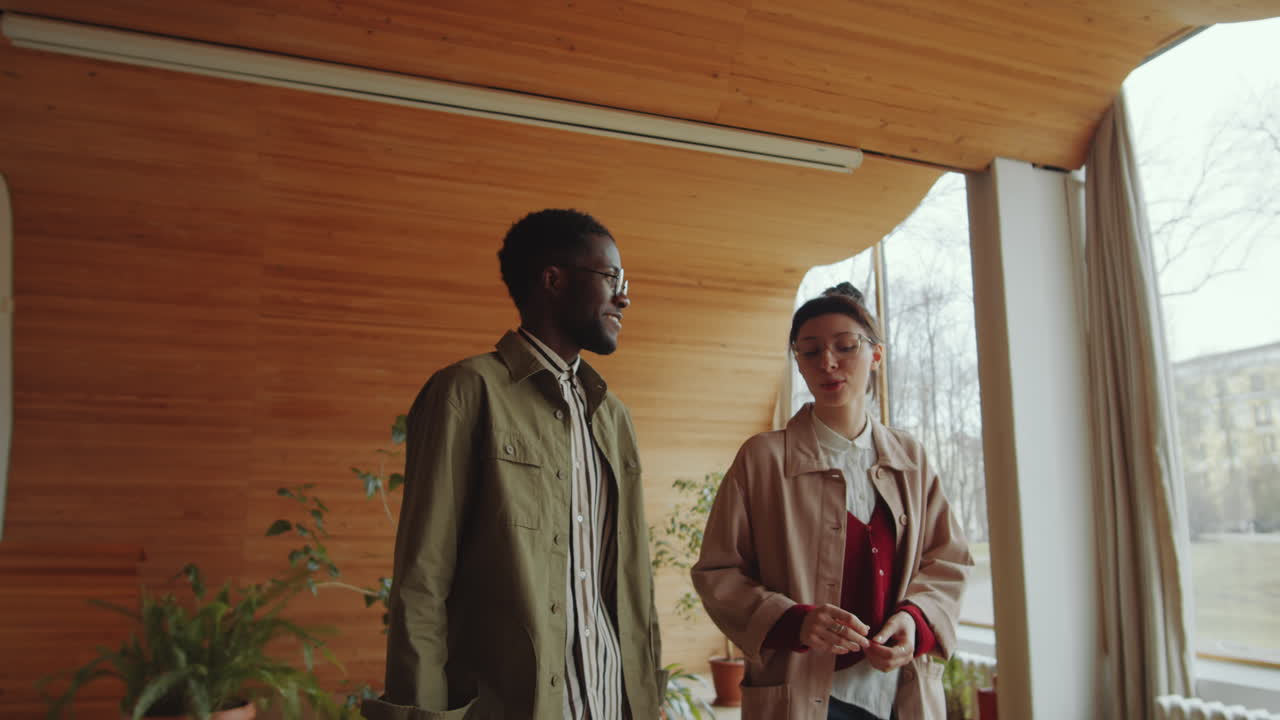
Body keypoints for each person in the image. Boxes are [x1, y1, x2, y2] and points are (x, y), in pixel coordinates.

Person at [364, 209, 663, 720]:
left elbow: (634, 579)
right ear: (553, 279)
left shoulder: (613, 417)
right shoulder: (467, 392)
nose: (625, 295)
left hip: (613, 701)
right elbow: (423, 579)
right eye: (612, 277)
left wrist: (650, 694)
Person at [691, 283, 972, 720]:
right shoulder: (762, 459)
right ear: (798, 365)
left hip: (900, 693)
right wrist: (792, 620)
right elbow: (718, 571)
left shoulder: (910, 457)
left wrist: (915, 620)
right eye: (810, 351)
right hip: (801, 695)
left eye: (846, 346)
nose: (828, 362)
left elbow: (947, 560)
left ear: (876, 355)